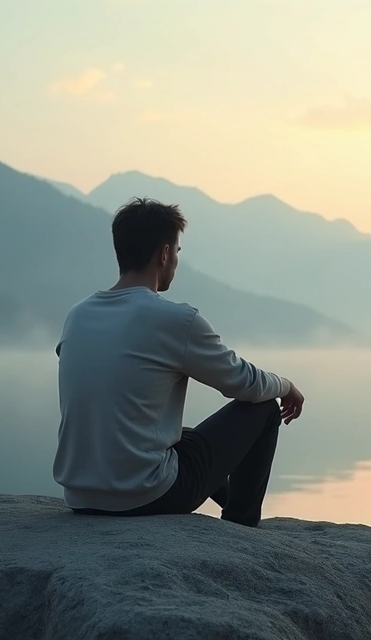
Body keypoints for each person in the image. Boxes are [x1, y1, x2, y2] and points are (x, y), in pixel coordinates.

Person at [52, 197, 304, 527]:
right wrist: (286, 385)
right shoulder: (175, 320)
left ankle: (229, 508)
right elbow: (243, 383)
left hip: (81, 496)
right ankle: (241, 526)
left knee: (180, 436)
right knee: (264, 408)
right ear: (165, 253)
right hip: (147, 495)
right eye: (178, 252)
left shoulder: (78, 315)